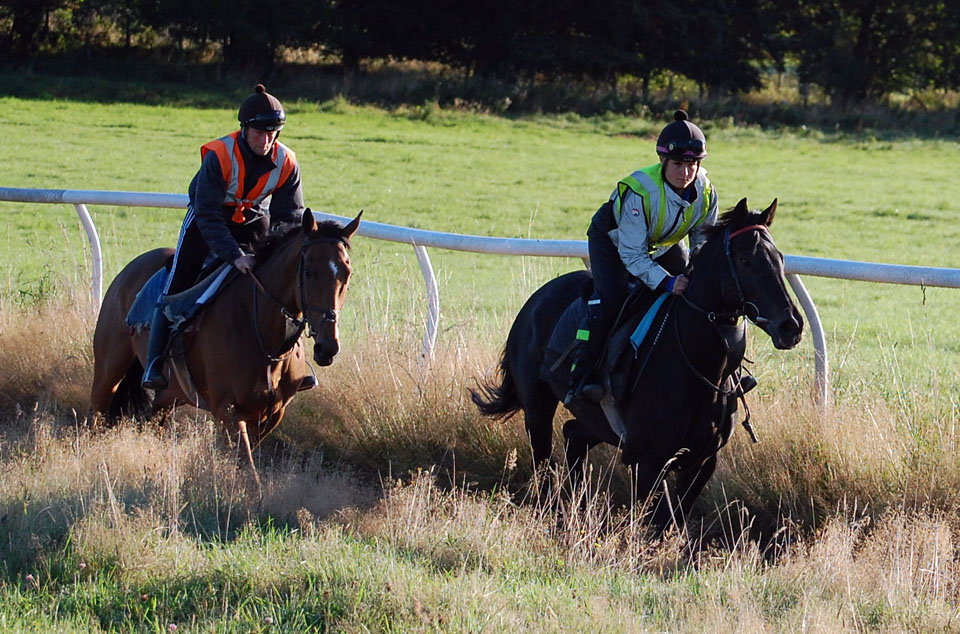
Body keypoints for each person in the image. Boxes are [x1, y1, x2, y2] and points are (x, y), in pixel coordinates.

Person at [142, 84, 306, 390]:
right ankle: (154, 362)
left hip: (254, 219)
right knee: (178, 283)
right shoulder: (219, 155)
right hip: (207, 220)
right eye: (260, 131)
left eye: (274, 132)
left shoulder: (288, 162)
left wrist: (278, 252)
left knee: (282, 283)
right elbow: (207, 214)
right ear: (244, 129)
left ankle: (297, 360)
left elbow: (290, 219)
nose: (267, 139)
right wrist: (235, 255)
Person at [565, 109, 720, 405]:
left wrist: (696, 267)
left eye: (692, 165)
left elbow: (702, 237)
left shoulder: (707, 191)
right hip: (614, 242)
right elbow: (633, 255)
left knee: (700, 293)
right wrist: (667, 282)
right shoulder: (640, 192)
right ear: (663, 161)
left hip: (660, 244)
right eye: (677, 164)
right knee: (611, 300)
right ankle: (582, 377)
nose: (685, 173)